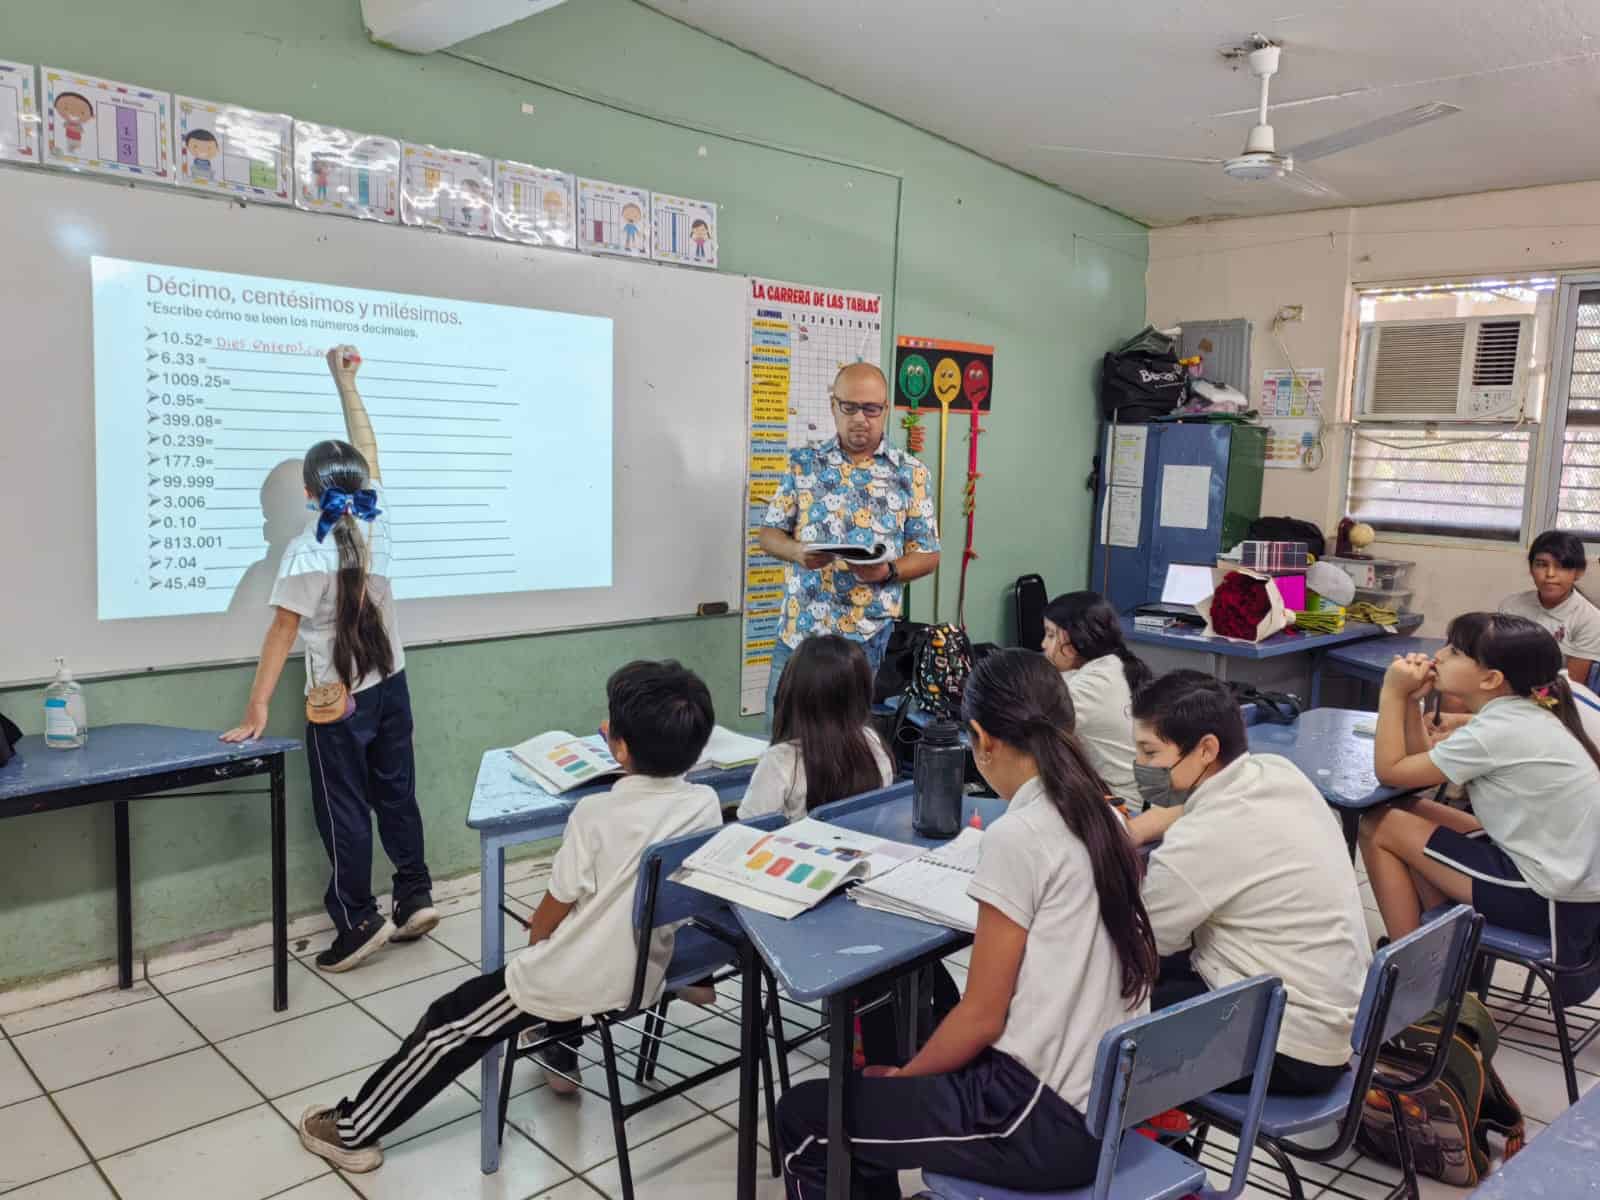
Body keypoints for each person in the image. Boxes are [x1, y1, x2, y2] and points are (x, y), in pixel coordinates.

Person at [296, 660, 725, 1173]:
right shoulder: (705, 804)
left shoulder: (593, 815)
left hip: (587, 978)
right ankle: (557, 1052)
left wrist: (541, 933)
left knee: (447, 1024)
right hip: (647, 971)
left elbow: (548, 916)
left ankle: (351, 1129)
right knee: (574, 937)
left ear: (620, 748)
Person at [776, 650, 1158, 1198]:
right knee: (886, 1088)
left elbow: (981, 1016)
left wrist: (908, 1079)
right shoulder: (1107, 813)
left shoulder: (1021, 835)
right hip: (1107, 1101)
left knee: (807, 1116)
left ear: (982, 740)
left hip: (1040, 1120)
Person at [222, 346, 437, 973]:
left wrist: (258, 705)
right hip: (391, 686)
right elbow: (365, 447)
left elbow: (281, 634)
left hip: (335, 699)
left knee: (341, 805)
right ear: (361, 483)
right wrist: (345, 384)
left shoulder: (301, 550)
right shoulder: (381, 522)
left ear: (309, 491)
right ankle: (415, 893)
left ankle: (357, 918)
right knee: (396, 793)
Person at [1131, 671, 1370, 1095]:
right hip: (1333, 1024)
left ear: (1206, 749)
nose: (1141, 767)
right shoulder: (1276, 772)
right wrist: (1147, 823)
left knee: (1101, 1012)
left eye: (1150, 752)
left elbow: (1139, 948)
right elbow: (1203, 814)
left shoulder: (1200, 842)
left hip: (1285, 1051)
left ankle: (1138, 1136)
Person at [1360, 614, 1600, 978]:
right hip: (1562, 884)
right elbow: (1415, 772)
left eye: (1455, 651)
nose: (1438, 655)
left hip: (1550, 902)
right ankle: (1444, 962)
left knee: (1378, 825)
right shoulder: (1522, 712)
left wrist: (1391, 692)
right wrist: (1411, 702)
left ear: (1491, 679)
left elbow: (1390, 770)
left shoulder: (1498, 730)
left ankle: (1412, 982)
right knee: (1411, 811)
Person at [758, 363, 941, 722]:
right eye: (850, 407)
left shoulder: (910, 473)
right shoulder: (803, 464)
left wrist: (886, 571)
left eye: (871, 409)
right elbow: (768, 534)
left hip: (865, 641)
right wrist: (797, 551)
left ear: (886, 409)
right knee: (780, 740)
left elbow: (928, 554)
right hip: (800, 634)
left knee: (848, 751)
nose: (861, 418)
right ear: (833, 406)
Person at [737, 634, 894, 822]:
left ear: (791, 692)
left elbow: (748, 831)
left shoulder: (780, 761)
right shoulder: (873, 743)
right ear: (862, 693)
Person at [1040, 591, 1149, 808]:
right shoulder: (1113, 665)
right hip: (1136, 799)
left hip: (1122, 808)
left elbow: (1029, 725)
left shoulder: (1087, 688)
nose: (1043, 644)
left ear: (1074, 642)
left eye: (1051, 635)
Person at [1500, 529, 1600, 684]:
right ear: (1531, 569)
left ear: (1579, 572)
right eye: (1541, 564)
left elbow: (1571, 686)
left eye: (1561, 566)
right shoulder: (1511, 606)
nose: (1550, 574)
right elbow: (1498, 658)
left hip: (1552, 696)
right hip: (1506, 685)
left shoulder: (1590, 619)